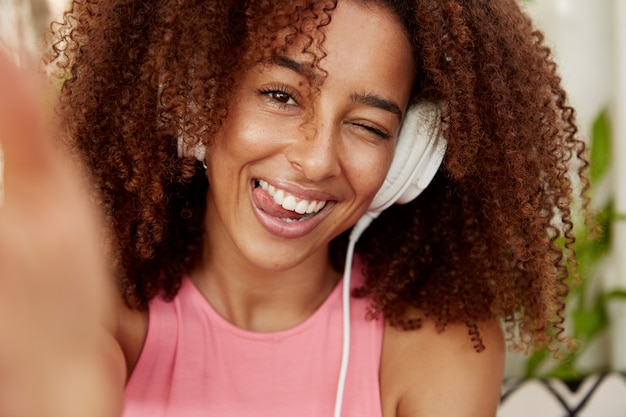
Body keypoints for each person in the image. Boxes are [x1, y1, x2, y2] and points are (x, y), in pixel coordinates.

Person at [0, 0, 589, 416]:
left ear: (411, 159)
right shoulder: (104, 329)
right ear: (195, 100)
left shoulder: (440, 349)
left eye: (368, 126)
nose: (315, 159)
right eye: (280, 96)